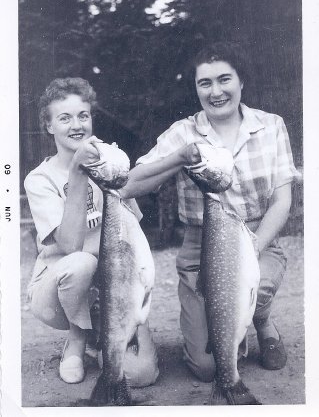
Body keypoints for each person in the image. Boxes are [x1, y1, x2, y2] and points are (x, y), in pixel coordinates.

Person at [120, 41, 299, 382]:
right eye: (205, 83)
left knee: (252, 289)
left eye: (224, 79)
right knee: (207, 368)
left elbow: (282, 202)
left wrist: (248, 254)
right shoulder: (184, 132)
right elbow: (129, 185)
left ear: (241, 81)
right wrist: (178, 158)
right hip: (201, 247)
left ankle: (262, 321)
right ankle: (240, 325)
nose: (216, 91)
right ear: (196, 88)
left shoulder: (271, 125)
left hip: (255, 236)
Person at [24, 77, 159, 385]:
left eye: (83, 116)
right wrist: (77, 172)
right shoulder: (39, 178)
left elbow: (132, 234)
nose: (76, 125)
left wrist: (142, 322)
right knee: (82, 262)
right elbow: (70, 245)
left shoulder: (109, 162)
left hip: (111, 287)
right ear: (49, 126)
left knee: (139, 375)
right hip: (58, 291)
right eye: (64, 118)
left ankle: (105, 338)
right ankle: (77, 337)